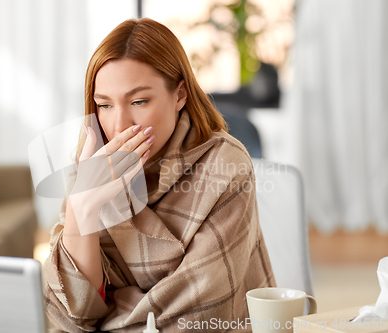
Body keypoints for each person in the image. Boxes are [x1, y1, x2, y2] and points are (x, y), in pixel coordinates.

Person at [42, 18, 276, 333]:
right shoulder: (94, 163)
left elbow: (197, 316)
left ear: (180, 95)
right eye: (104, 105)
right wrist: (81, 207)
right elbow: (71, 314)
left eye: (139, 101)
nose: (120, 125)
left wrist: (111, 309)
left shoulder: (227, 165)